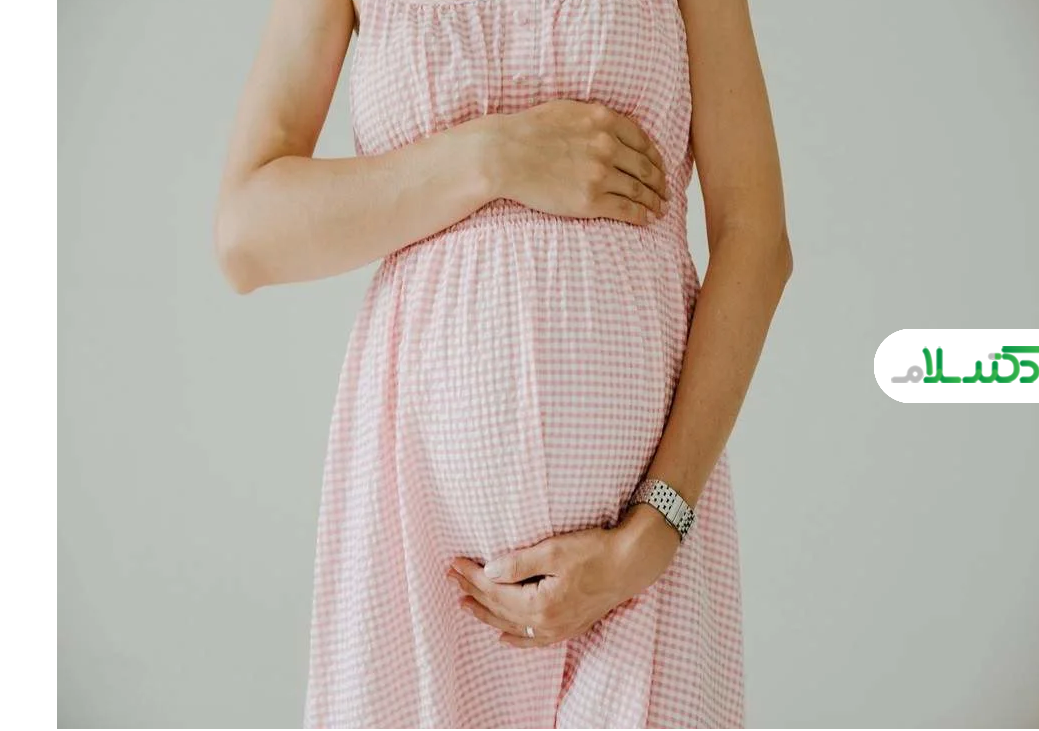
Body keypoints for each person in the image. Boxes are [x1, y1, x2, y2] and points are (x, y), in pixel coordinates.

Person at [214, 0, 791, 726]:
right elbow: (247, 234)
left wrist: (653, 530)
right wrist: (494, 157)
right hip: (422, 539)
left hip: (642, 557)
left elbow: (754, 235)